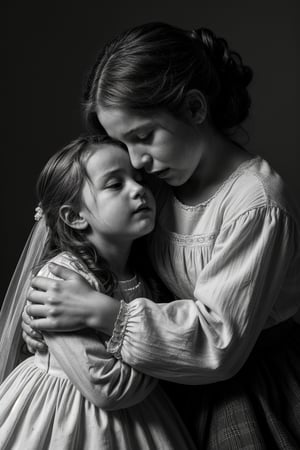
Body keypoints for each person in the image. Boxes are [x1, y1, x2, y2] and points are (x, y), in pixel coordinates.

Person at [23, 22, 300, 449]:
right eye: (123, 145)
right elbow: (112, 258)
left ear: (193, 108)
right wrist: (49, 311)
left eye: (143, 137)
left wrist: (103, 313)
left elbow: (219, 343)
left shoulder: (255, 202)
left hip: (246, 382)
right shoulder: (154, 184)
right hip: (162, 370)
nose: (137, 160)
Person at [0, 134, 195, 450]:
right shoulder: (61, 280)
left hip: (143, 416)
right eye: (115, 185)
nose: (138, 190)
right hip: (66, 417)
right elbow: (107, 386)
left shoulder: (144, 269)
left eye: (138, 179)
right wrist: (172, 354)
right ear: (75, 216)